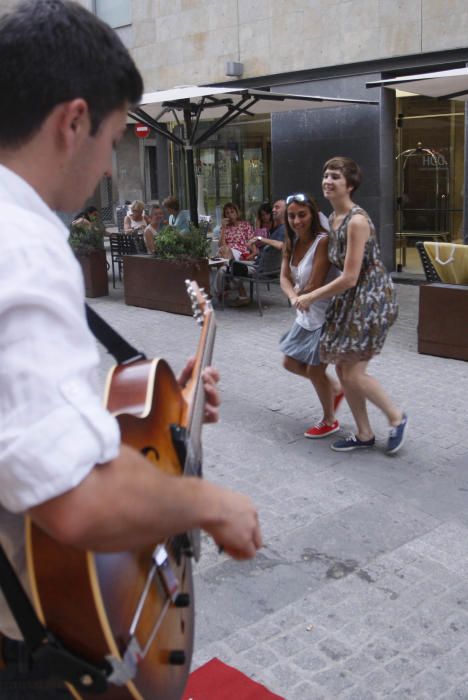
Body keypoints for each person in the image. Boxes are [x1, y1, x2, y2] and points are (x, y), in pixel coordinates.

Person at [0, 1, 262, 696]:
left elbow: (19, 410)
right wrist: (211, 503)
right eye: (115, 141)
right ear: (73, 121)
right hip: (30, 644)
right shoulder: (24, 248)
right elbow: (78, 502)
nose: (113, 170)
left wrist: (157, 416)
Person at [296, 157, 408, 454]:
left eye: (335, 176)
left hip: (371, 300)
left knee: (354, 372)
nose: (327, 181)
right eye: (325, 175)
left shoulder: (356, 221)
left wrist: (311, 295)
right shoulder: (332, 219)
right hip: (349, 301)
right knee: (345, 372)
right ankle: (364, 433)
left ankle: (396, 418)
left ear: (350, 184)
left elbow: (349, 276)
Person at [279, 194, 344, 438]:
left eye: (302, 214)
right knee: (290, 362)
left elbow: (315, 283)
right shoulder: (290, 241)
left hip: (326, 315)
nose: (297, 220)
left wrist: (298, 295)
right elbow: (284, 277)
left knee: (316, 370)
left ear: (312, 215)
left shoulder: (323, 241)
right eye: (292, 215)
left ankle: (329, 420)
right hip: (304, 312)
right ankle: (334, 388)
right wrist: (294, 297)